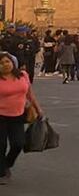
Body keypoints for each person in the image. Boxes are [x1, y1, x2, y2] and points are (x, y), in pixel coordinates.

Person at [0, 52, 43, 184]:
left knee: (18, 143)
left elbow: (30, 94)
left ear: (13, 62)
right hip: (0, 116)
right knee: (1, 145)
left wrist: (38, 108)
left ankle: (7, 164)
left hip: (18, 115)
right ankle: (1, 173)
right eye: (1, 63)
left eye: (7, 62)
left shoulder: (23, 75)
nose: (5, 65)